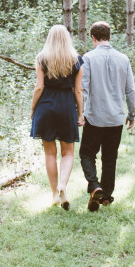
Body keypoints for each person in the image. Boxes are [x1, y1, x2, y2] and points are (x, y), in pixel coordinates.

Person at [79, 21, 135, 211]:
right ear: (109, 37)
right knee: (110, 158)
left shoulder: (87, 58)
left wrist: (79, 113)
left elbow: (83, 89)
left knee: (87, 153)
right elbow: (131, 90)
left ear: (93, 38)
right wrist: (132, 113)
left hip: (95, 117)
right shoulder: (124, 59)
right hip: (115, 119)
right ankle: (106, 196)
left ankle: (95, 186)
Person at [30, 24, 83, 210]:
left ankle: (54, 193)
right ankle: (63, 186)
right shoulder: (76, 60)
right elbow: (78, 90)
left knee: (49, 152)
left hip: (46, 106)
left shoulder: (42, 59)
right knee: (68, 152)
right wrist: (80, 114)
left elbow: (39, 87)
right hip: (66, 106)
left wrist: (32, 108)